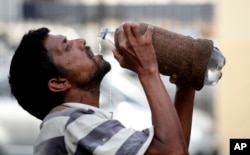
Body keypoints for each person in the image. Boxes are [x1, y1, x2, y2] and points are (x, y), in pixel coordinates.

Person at [8, 22, 196, 155]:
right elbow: (173, 151)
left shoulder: (69, 124)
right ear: (58, 83)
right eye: (66, 47)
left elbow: (171, 146)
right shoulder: (71, 123)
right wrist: (147, 69)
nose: (80, 41)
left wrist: (185, 87)